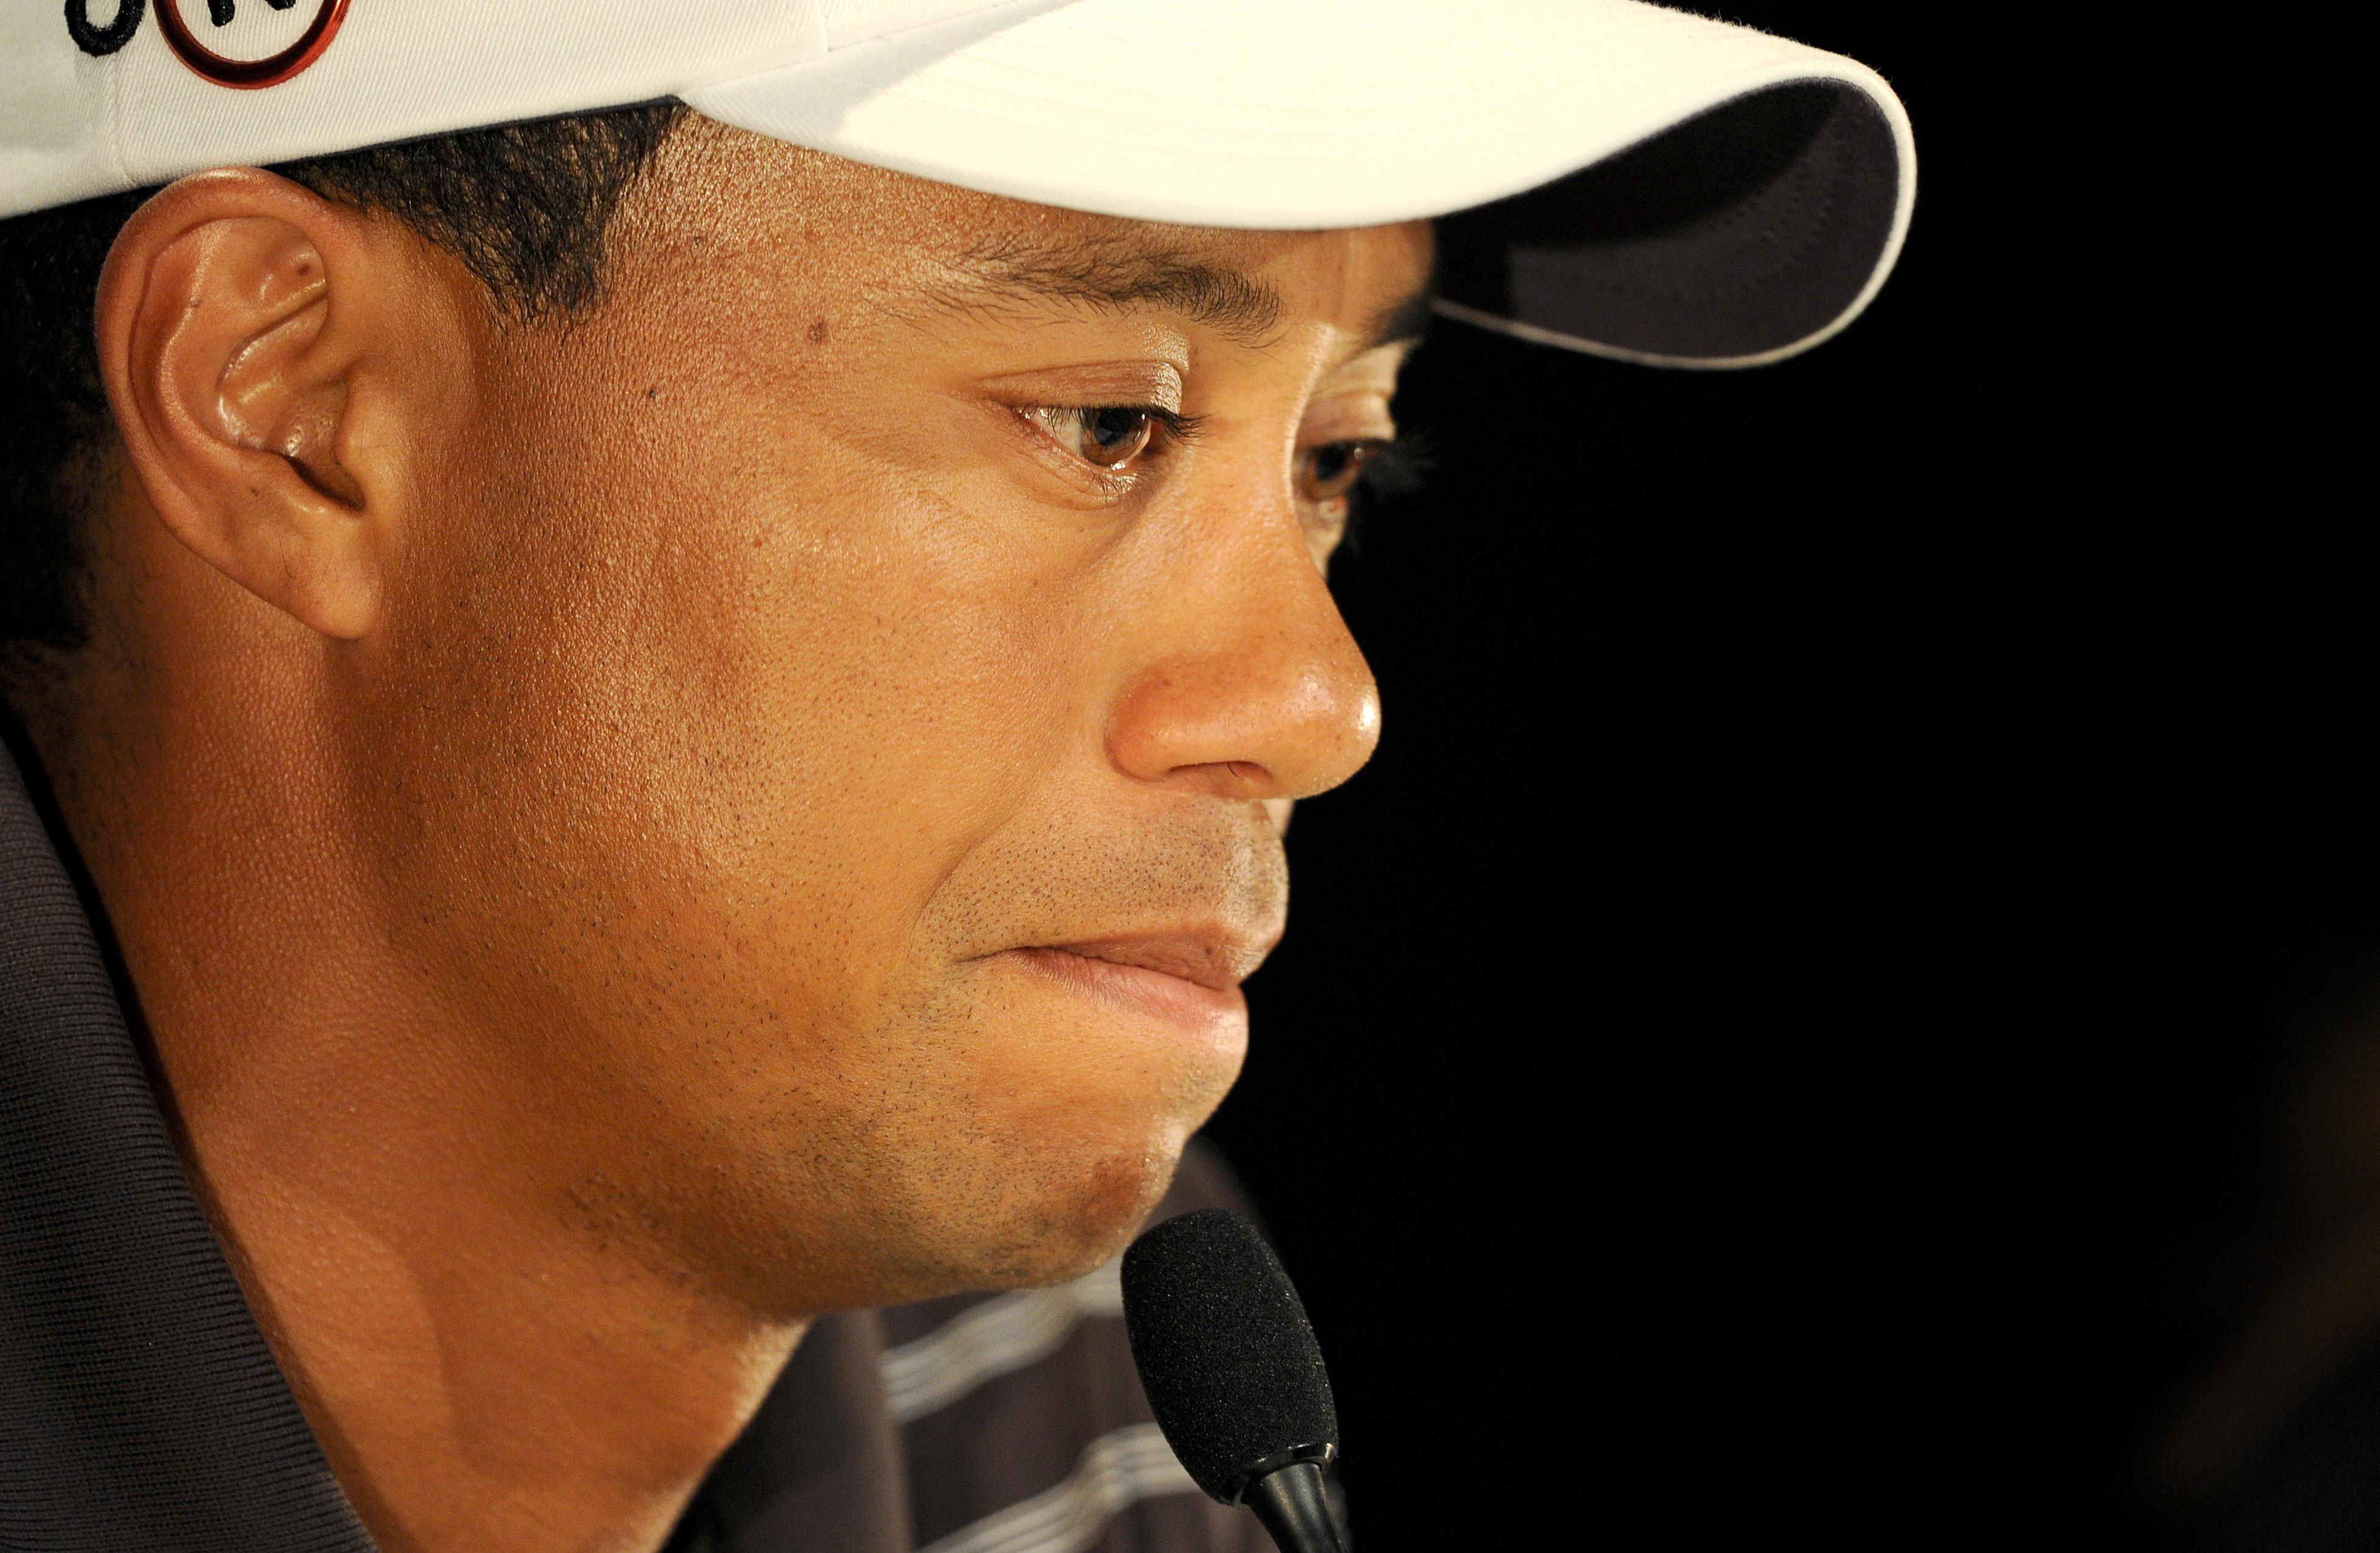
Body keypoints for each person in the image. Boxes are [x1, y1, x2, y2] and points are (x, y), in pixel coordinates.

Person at [0, 2, 1913, 1549]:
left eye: (1335, 460)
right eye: (1108, 420)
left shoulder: (1068, 1373)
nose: (1322, 703)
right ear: (295, 409)